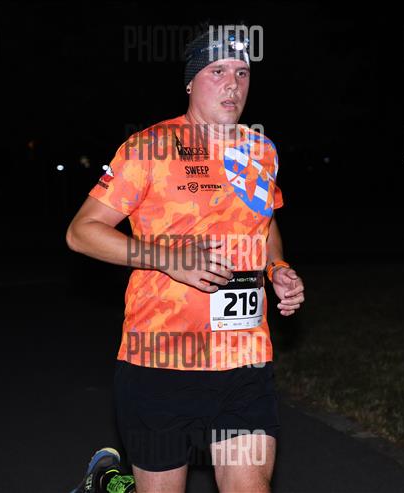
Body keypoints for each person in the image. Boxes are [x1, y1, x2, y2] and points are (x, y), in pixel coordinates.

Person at [66, 24, 305, 493]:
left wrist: (276, 268)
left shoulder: (261, 150)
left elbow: (264, 220)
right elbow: (81, 232)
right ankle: (109, 483)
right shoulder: (150, 148)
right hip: (160, 360)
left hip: (244, 361)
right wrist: (166, 258)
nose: (233, 84)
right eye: (218, 72)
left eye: (242, 73)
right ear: (191, 82)